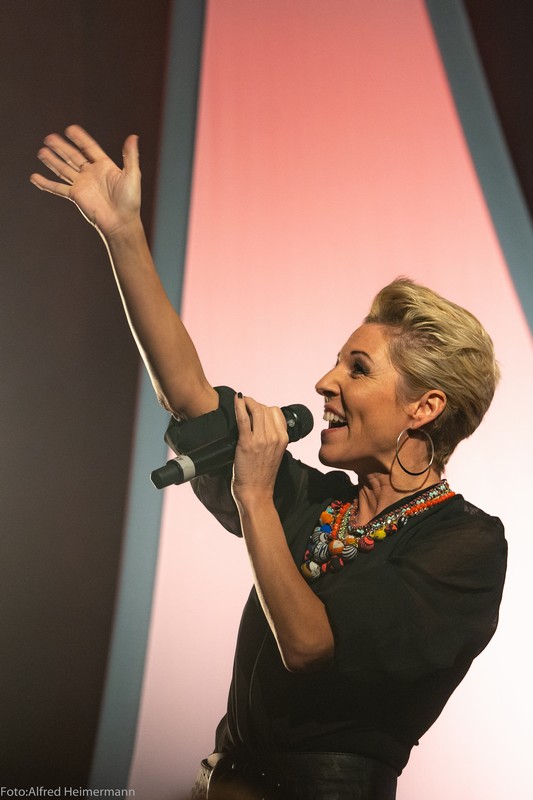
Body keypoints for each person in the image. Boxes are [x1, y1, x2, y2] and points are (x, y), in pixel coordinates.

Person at [31, 127, 507, 800]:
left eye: (357, 369)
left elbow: (309, 645)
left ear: (424, 407)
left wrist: (253, 495)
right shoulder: (319, 506)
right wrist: (123, 234)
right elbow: (190, 398)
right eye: (337, 362)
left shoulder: (465, 545)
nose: (324, 382)